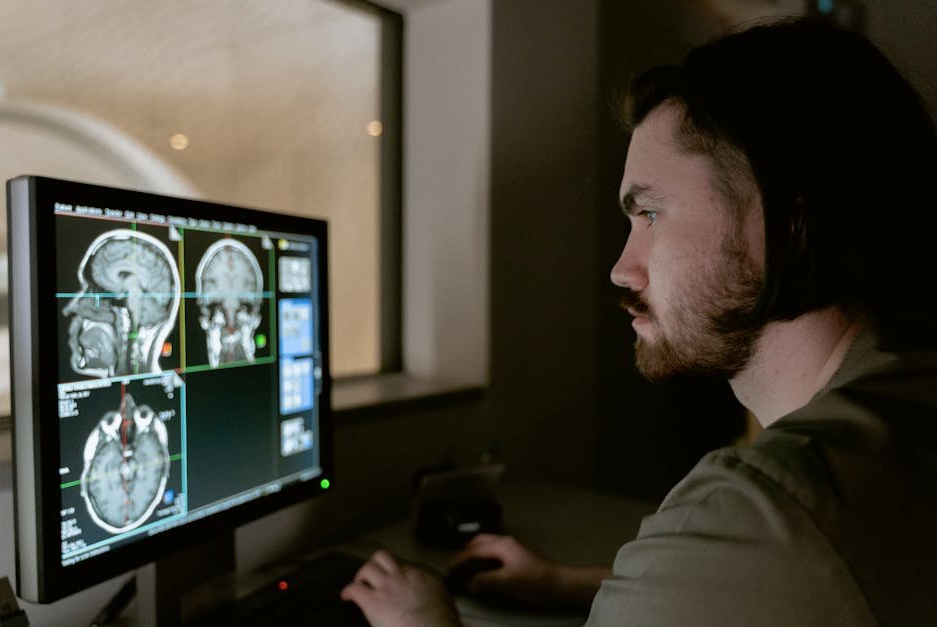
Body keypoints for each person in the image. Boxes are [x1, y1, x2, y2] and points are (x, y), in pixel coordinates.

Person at [340, 17, 937, 626]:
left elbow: (769, 554)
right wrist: (569, 584)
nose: (621, 270)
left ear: (789, 225)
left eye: (650, 214)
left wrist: (422, 620)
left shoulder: (771, 505)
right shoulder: (900, 410)